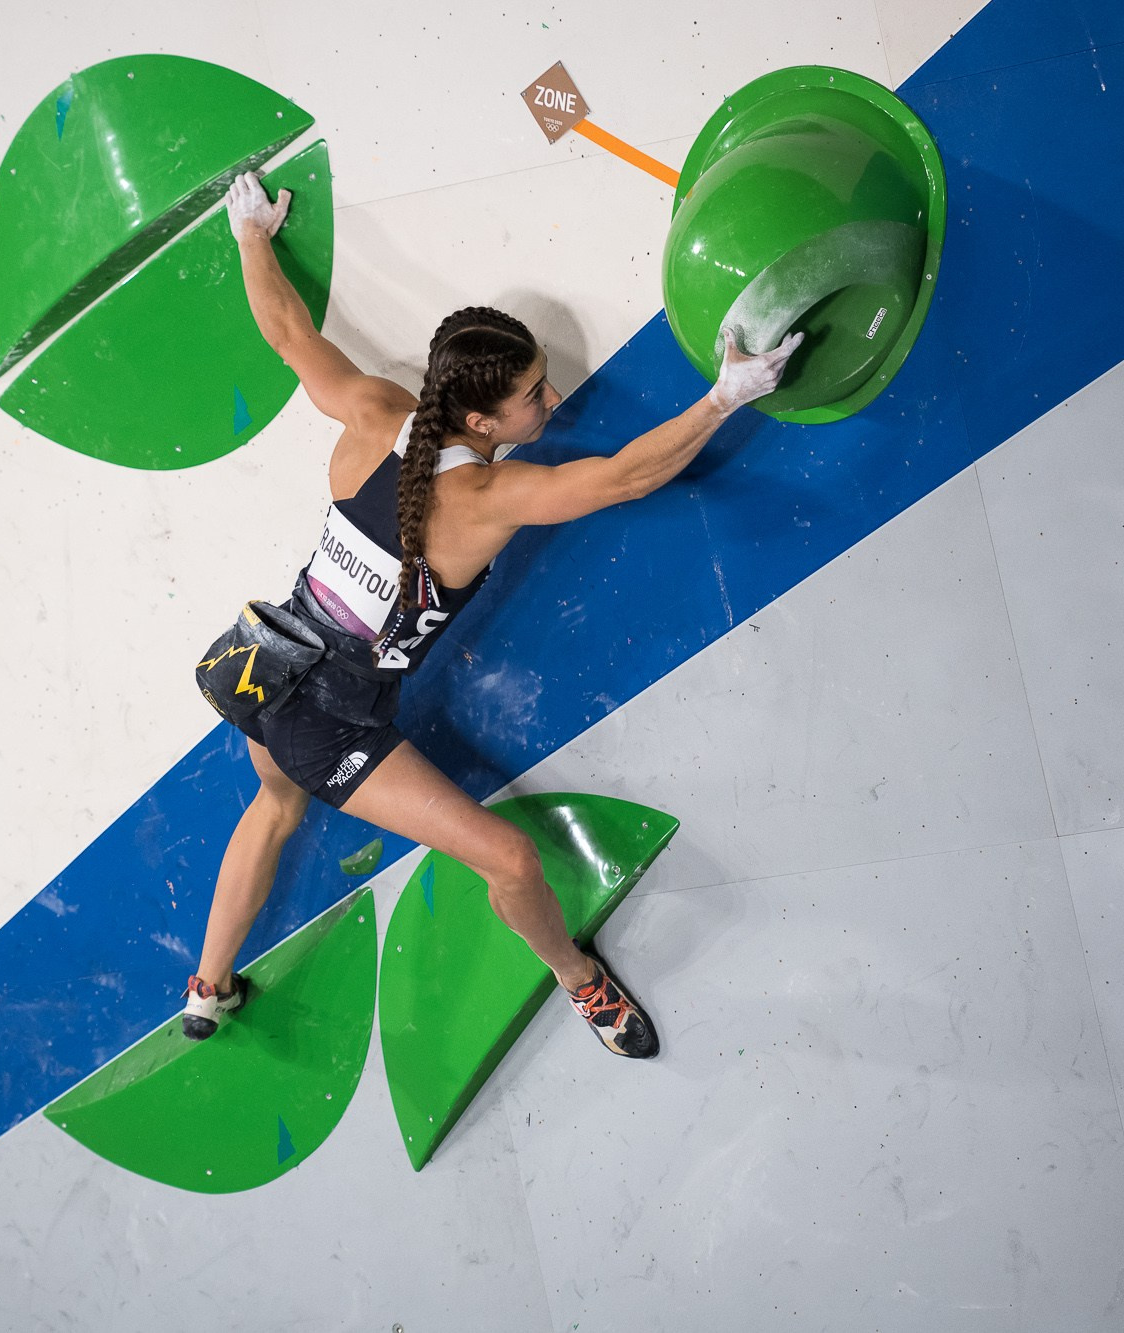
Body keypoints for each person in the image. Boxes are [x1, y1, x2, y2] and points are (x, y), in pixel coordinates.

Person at [182, 172, 801, 1056]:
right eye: (535, 395)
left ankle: (208, 990)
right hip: (325, 716)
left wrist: (248, 236)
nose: (552, 404)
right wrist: (726, 395)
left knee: (273, 806)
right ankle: (578, 980)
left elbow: (287, 334)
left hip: (264, 666)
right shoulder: (483, 496)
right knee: (508, 860)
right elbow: (623, 475)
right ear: (478, 415)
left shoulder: (374, 411)